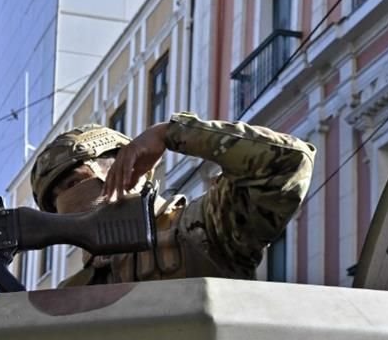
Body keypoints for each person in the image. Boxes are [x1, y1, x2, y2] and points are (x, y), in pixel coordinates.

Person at [29, 112, 316, 285]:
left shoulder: (204, 229)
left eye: (74, 182)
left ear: (129, 166)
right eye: (55, 200)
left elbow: (289, 162)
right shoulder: (74, 292)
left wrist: (169, 133)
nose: (67, 200)